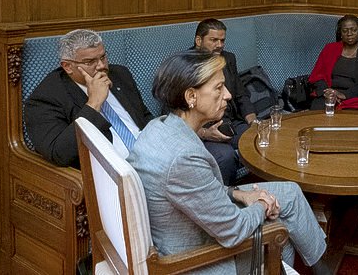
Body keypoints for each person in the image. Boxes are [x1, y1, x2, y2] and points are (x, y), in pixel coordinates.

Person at [128, 50, 330, 275]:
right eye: (218, 88)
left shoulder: (159, 125)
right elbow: (234, 230)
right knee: (279, 228)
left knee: (289, 192)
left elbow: (196, 189)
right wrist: (262, 205)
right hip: (195, 257)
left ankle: (320, 267)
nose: (228, 95)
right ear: (191, 97)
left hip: (195, 220)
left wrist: (240, 194)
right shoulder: (183, 158)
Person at [24, 29, 153, 168]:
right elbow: (59, 154)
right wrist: (93, 104)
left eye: (103, 57)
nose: (102, 66)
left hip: (152, 158)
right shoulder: (46, 98)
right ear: (68, 66)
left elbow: (144, 117)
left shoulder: (120, 74)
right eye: (90, 62)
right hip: (112, 172)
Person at [192, 18, 256, 185]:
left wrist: (253, 121)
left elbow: (241, 94)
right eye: (213, 40)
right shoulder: (186, 64)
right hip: (204, 128)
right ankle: (226, 202)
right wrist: (203, 133)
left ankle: (261, 188)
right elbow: (174, 113)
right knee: (225, 157)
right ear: (199, 41)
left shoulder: (228, 58)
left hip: (231, 121)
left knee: (261, 138)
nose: (219, 45)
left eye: (222, 40)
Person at [308, 14, 358, 111]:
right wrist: (328, 92)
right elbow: (317, 76)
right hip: (328, 95)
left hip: (354, 97)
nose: (349, 33)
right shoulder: (330, 49)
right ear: (340, 34)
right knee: (317, 114)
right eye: (345, 31)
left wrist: (344, 95)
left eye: (354, 30)